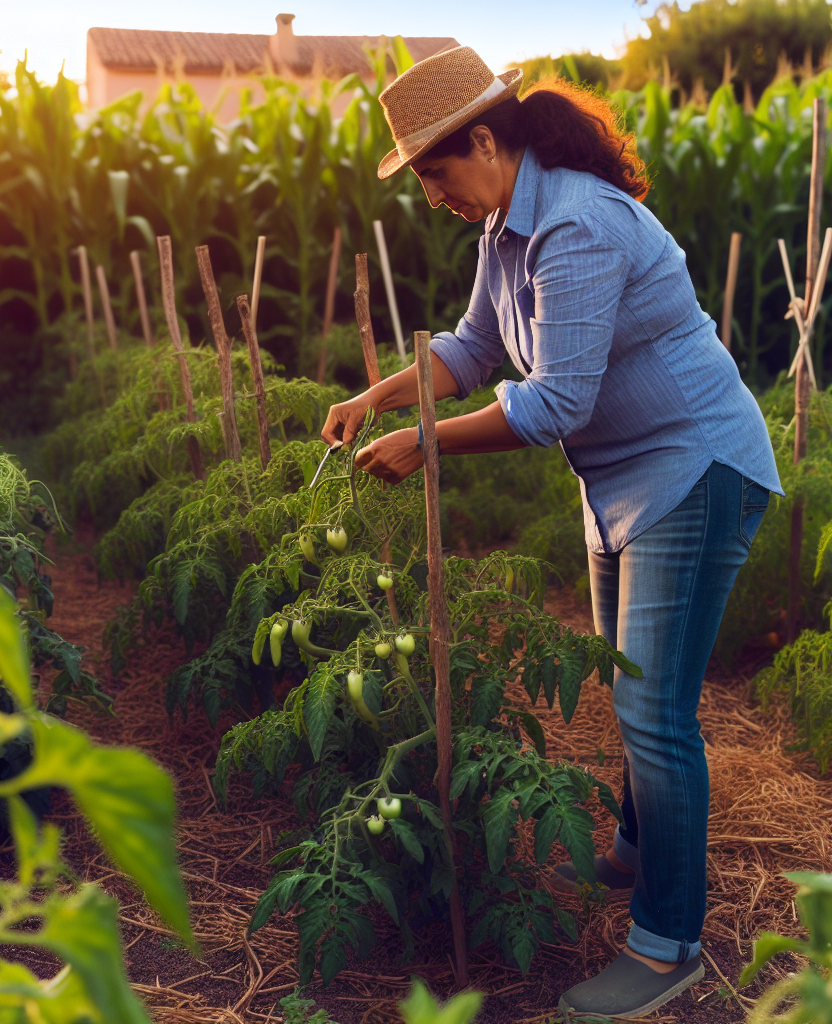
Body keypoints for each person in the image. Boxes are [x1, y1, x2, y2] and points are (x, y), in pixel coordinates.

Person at [320, 45, 782, 1019]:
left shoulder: (575, 222)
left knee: (655, 714)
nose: (433, 193)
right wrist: (380, 394)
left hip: (693, 466)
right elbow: (476, 347)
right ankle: (641, 841)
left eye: (436, 171)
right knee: (630, 688)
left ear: (484, 141)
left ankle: (668, 947)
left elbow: (558, 400)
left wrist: (427, 443)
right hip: (619, 479)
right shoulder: (505, 230)